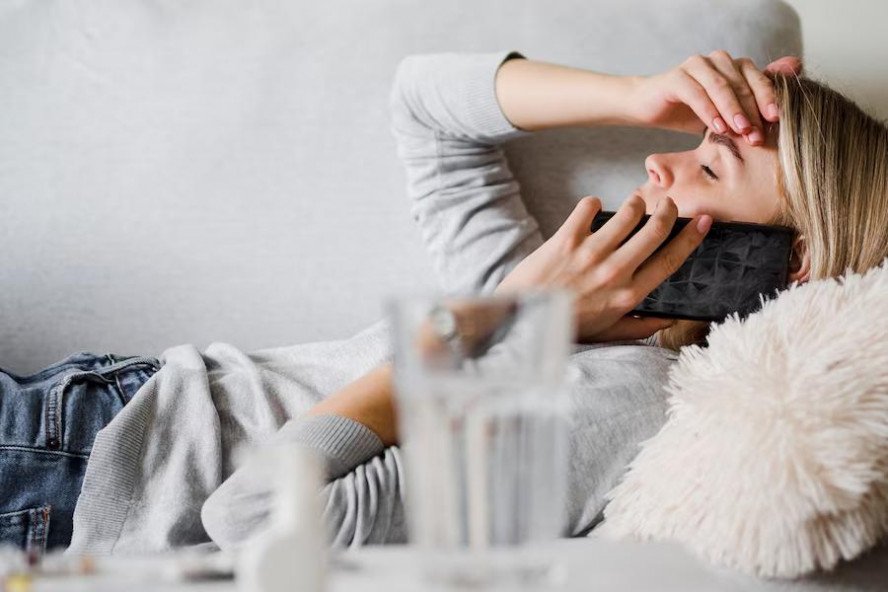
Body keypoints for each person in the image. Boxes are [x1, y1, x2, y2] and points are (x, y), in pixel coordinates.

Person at [2, 48, 886, 555]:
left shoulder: (623, 398)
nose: (658, 160)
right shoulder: (571, 299)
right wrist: (635, 96)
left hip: (88, 467)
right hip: (109, 405)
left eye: (710, 168)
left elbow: (258, 521)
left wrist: (504, 317)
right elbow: (425, 107)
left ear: (791, 262)